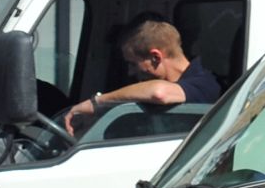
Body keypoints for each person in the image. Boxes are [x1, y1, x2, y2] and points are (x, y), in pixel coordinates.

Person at [62, 15, 225, 135]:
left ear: (156, 57)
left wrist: (98, 102)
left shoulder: (205, 82)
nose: (131, 72)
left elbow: (159, 93)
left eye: (133, 64)